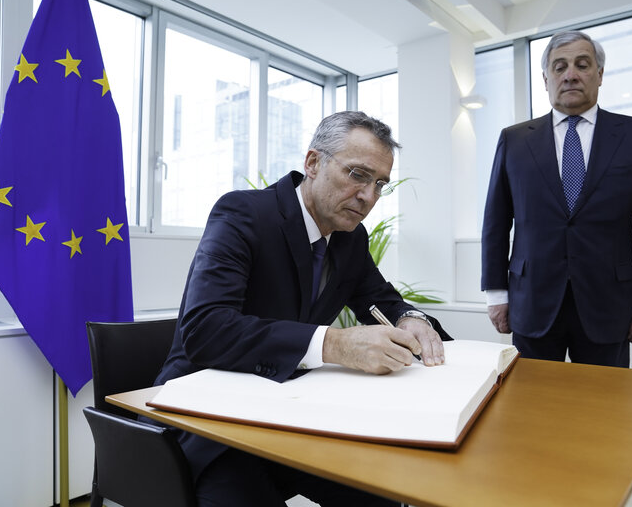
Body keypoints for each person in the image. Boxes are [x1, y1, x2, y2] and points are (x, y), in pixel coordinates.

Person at [154, 111, 451, 507]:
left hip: (290, 416)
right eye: (358, 175)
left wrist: (409, 318)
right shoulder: (243, 214)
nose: (368, 196)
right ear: (313, 163)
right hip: (208, 421)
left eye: (380, 184)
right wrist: (335, 344)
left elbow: (380, 299)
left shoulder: (350, 238)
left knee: (381, 493)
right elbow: (206, 329)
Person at [480, 30, 632, 367]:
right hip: (532, 304)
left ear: (599, 74)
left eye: (582, 65)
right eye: (559, 67)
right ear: (546, 79)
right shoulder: (513, 141)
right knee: (533, 407)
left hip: (609, 306)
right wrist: (496, 295)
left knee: (604, 411)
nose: (570, 74)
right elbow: (495, 224)